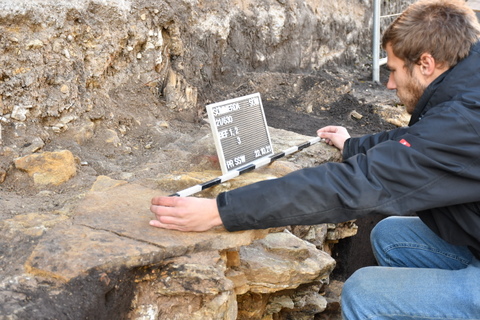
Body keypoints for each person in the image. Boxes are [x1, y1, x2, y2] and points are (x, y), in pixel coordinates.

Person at [150, 0, 480, 318]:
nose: (390, 83)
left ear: (426, 64)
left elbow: (355, 184)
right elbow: (421, 142)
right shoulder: (467, 85)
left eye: (393, 70)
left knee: (363, 292)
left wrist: (222, 211)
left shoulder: (462, 120)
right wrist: (353, 145)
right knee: (389, 234)